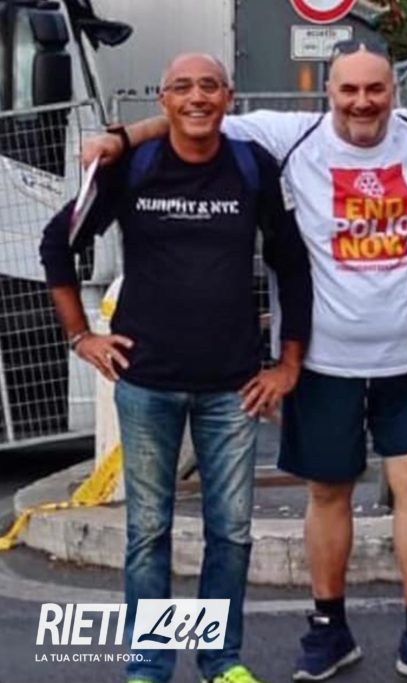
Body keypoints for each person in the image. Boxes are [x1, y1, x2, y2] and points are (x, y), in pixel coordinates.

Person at [81, 36, 407, 683]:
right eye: (349, 90)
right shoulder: (289, 135)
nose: (363, 102)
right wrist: (118, 138)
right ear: (327, 93)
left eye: (375, 89)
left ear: (394, 91)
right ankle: (324, 628)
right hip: (320, 360)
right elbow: (194, 111)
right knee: (317, 496)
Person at [39, 53, 312, 683]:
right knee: (149, 533)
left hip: (233, 389)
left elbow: (293, 265)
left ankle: (220, 661)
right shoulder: (133, 167)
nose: (197, 97)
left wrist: (288, 364)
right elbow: (58, 243)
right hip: (147, 384)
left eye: (209, 86)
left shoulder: (252, 166)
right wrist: (81, 336)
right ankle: (150, 664)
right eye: (182, 87)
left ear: (228, 98)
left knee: (231, 534)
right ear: (163, 101)